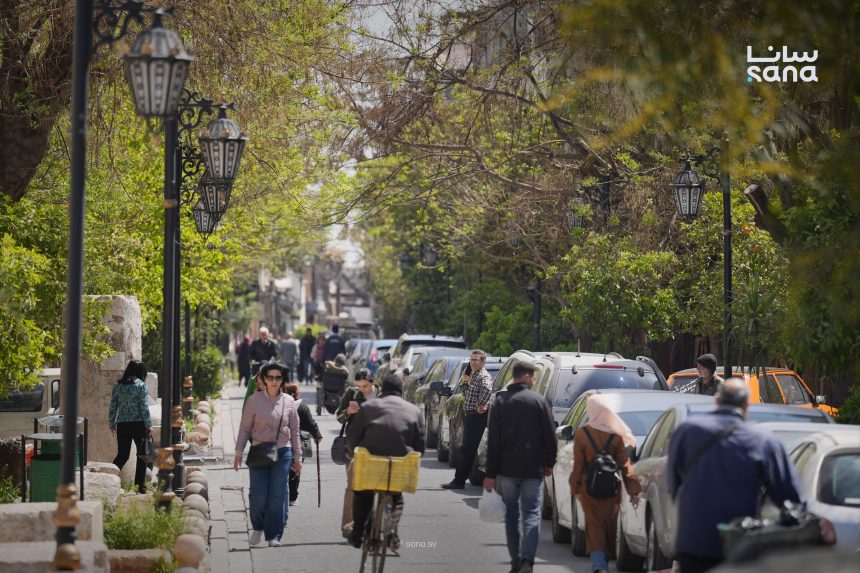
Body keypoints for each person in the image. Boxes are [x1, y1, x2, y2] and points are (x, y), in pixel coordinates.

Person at [666, 378, 804, 573]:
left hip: (693, 542)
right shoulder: (763, 441)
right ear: (747, 405)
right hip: (740, 544)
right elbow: (790, 497)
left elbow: (673, 484)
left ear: (717, 400)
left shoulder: (686, 431)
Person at [482, 359, 557, 573]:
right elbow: (550, 436)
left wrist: (490, 473)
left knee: (511, 516)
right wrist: (549, 462)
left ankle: (515, 562)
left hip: (507, 471)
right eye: (533, 377)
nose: (534, 381)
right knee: (531, 514)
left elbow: (494, 442)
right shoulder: (538, 401)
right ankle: (527, 560)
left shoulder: (500, 402)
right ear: (525, 377)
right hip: (533, 470)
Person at [345, 374, 424, 551]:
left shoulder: (369, 407)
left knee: (363, 493)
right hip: (399, 465)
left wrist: (350, 452)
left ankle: (358, 534)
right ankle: (392, 531)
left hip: (370, 463)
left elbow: (353, 437)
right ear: (401, 391)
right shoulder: (414, 410)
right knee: (397, 496)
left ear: (382, 389)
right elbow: (420, 447)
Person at [570, 393, 641, 573]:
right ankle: (603, 563)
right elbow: (625, 465)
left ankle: (599, 565)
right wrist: (633, 490)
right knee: (609, 528)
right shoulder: (616, 436)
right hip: (612, 492)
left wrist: (575, 488)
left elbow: (578, 466)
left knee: (594, 528)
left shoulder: (582, 434)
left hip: (589, 490)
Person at [234, 362, 302, 547]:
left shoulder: (289, 401)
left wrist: (298, 457)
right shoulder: (254, 401)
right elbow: (244, 428)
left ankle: (274, 535)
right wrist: (238, 452)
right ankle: (257, 527)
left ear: (282, 380)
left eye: (278, 377)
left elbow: (295, 431)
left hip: (283, 451)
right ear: (263, 379)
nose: (274, 381)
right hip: (259, 451)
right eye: (270, 377)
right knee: (259, 495)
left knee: (277, 495)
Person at [335, 368, 379, 538]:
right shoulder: (351, 394)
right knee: (352, 487)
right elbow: (339, 417)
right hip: (353, 447)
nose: (362, 389)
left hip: (376, 447)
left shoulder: (382, 395)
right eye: (359, 386)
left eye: (365, 386)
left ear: (372, 382)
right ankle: (348, 526)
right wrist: (348, 412)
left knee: (373, 487)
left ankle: (369, 525)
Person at [442, 349, 493, 489]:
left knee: (467, 450)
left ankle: (459, 481)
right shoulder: (474, 375)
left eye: (476, 360)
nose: (473, 362)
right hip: (470, 415)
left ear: (483, 362)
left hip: (476, 416)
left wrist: (480, 405)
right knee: (466, 449)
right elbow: (466, 395)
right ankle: (459, 479)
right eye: (471, 360)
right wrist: (465, 381)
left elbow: (488, 389)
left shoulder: (483, 376)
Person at [109, 360, 153, 494]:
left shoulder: (118, 386)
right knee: (142, 455)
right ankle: (139, 487)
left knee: (122, 455)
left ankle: (108, 480)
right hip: (138, 424)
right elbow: (144, 407)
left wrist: (112, 424)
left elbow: (113, 406)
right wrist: (148, 424)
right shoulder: (141, 386)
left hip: (122, 424)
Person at [281, 383, 322, 507]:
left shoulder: (281, 404)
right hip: (300, 443)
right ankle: (292, 497)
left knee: (282, 469)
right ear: (297, 393)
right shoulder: (303, 406)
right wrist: (317, 435)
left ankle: (282, 494)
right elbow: (311, 423)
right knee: (296, 469)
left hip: (283, 442)